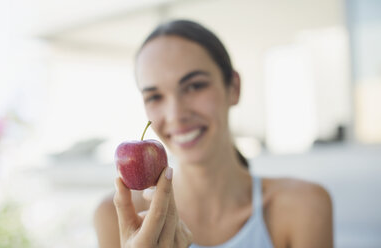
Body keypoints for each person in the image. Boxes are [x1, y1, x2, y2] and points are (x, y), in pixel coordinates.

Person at [94, 20, 333, 248]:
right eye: (155, 97)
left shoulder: (304, 206)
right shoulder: (115, 216)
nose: (176, 114)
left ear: (234, 88)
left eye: (195, 86)